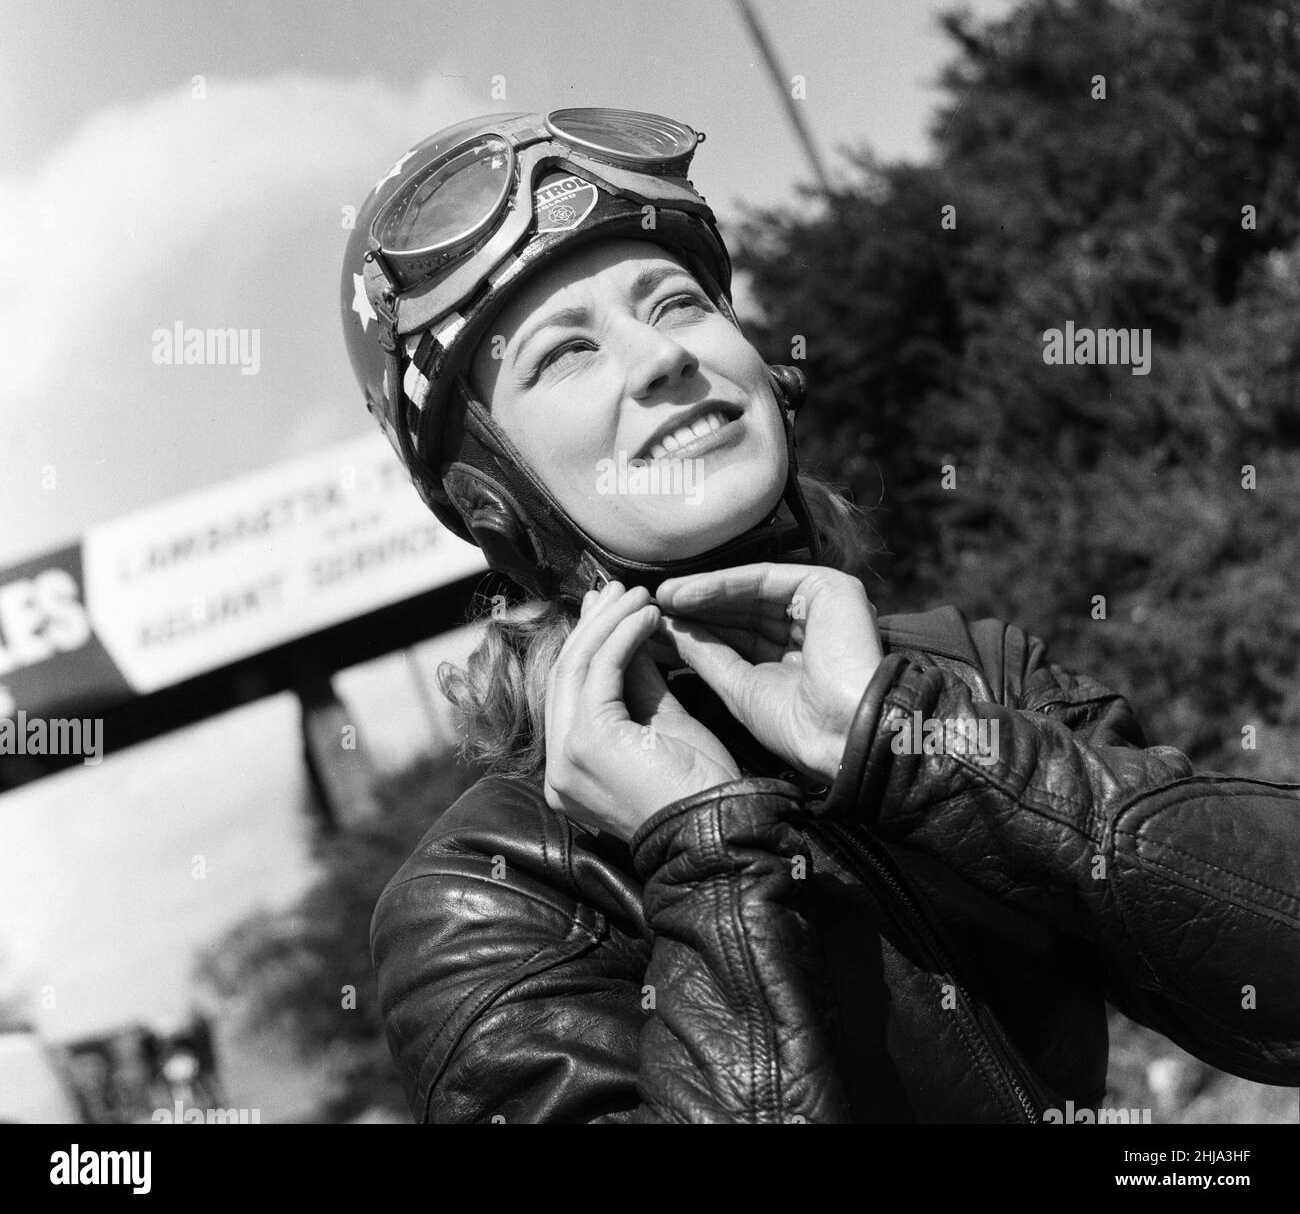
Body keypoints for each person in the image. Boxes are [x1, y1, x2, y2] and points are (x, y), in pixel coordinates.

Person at [342, 108, 1300, 1123]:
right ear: (493, 492)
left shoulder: (968, 674)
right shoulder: (479, 901)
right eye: (564, 354)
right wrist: (703, 856)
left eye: (674, 303)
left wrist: (916, 752)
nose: (660, 358)